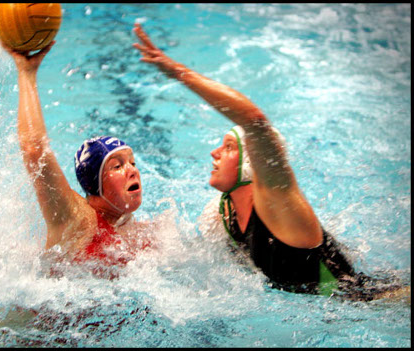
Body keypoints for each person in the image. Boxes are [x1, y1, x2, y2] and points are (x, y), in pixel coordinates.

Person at [132, 23, 409, 301]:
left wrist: (179, 73)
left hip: (374, 302)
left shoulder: (279, 203)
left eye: (228, 147)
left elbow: (254, 121)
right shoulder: (223, 214)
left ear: (250, 165)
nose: (213, 153)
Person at [2, 40, 151, 278]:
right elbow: (33, 149)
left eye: (132, 163)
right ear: (94, 184)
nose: (132, 171)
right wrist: (26, 73)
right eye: (117, 165)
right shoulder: (77, 220)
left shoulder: (136, 230)